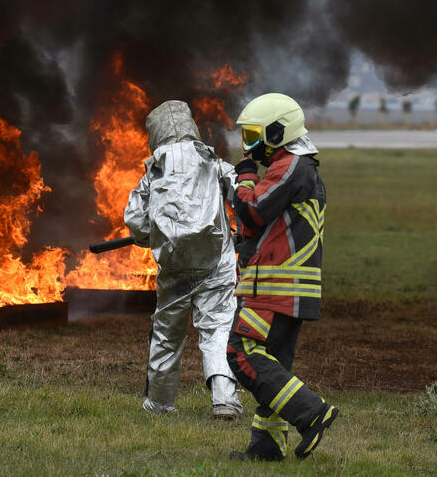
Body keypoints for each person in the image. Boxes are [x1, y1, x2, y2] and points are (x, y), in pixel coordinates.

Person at [225, 92, 337, 461]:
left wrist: (244, 179)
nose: (248, 147)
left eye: (253, 136)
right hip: (289, 289)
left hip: (274, 287)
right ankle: (267, 446)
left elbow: (251, 211)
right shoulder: (301, 169)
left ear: (277, 133)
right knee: (273, 363)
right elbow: (261, 226)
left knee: (241, 353)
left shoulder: (290, 165)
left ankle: (311, 412)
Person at [124, 100, 244, 420]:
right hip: (214, 259)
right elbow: (241, 194)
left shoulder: (154, 167)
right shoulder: (211, 160)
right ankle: (224, 399)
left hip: (174, 264)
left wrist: (151, 237)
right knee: (217, 327)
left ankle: (159, 403)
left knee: (167, 333)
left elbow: (135, 220)